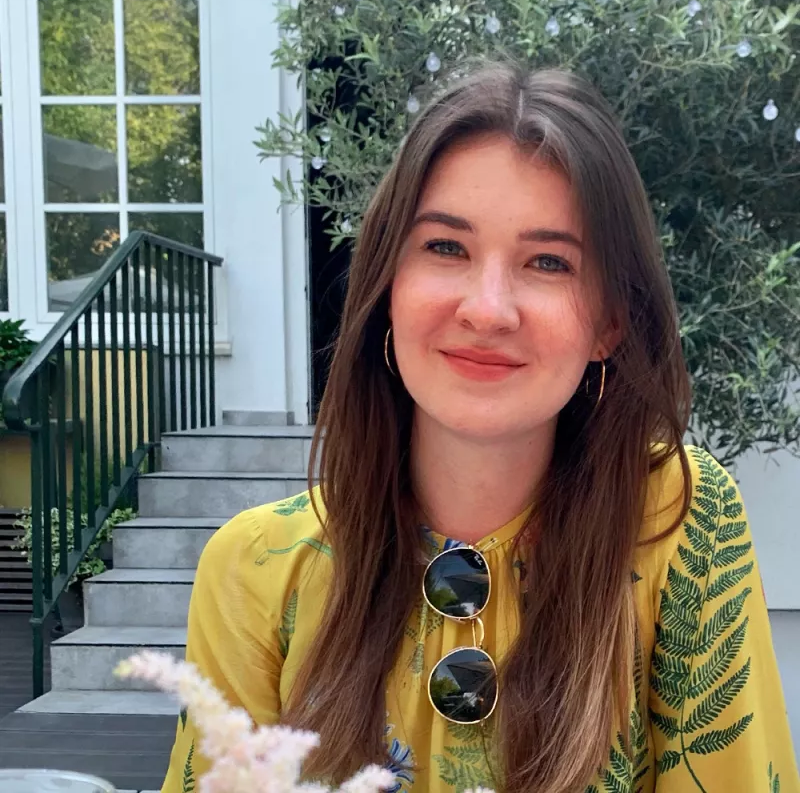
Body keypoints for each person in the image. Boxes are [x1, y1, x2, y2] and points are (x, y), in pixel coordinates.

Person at [161, 62, 799, 793]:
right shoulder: (255, 570)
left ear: (610, 323)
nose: (488, 309)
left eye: (548, 262)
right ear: (387, 287)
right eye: (445, 247)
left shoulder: (676, 522)